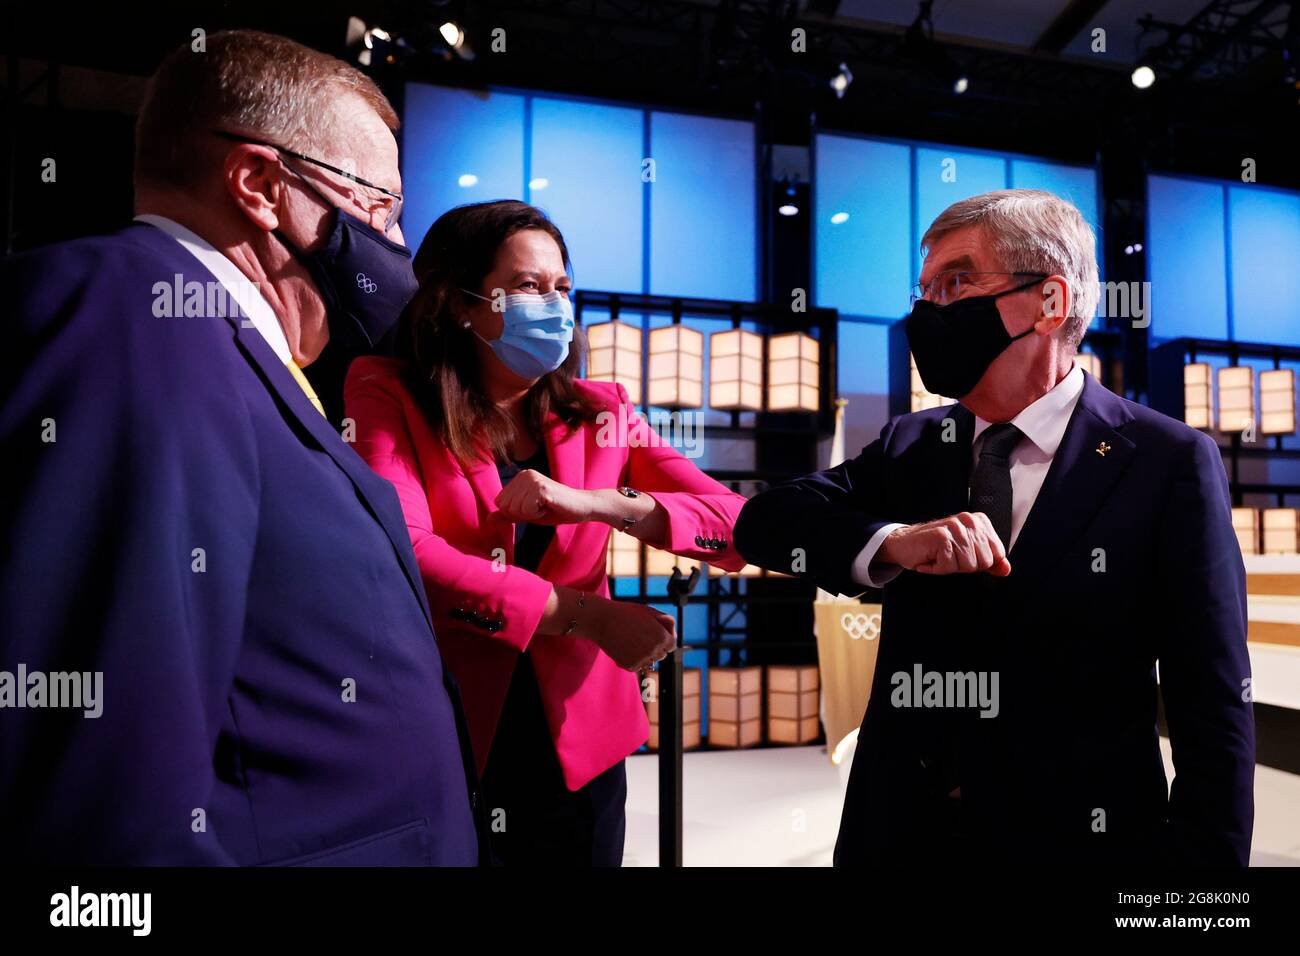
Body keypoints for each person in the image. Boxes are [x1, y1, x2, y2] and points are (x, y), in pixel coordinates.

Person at [0, 30, 483, 865]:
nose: (396, 252)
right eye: (380, 210)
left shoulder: (225, 347)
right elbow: (101, 775)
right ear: (260, 183)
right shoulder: (142, 320)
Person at [734, 189, 1254, 866]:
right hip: (897, 838)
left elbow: (1212, 706)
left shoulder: (1167, 461)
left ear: (1049, 303)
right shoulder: (911, 444)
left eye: (955, 283)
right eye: (923, 292)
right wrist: (892, 541)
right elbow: (765, 521)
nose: (927, 313)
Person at [344, 200, 747, 866]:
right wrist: (586, 617)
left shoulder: (599, 410)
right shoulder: (388, 393)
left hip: (579, 742)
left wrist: (598, 503)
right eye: (529, 286)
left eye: (562, 287)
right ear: (459, 304)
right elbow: (405, 553)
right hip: (449, 728)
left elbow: (733, 521)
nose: (555, 304)